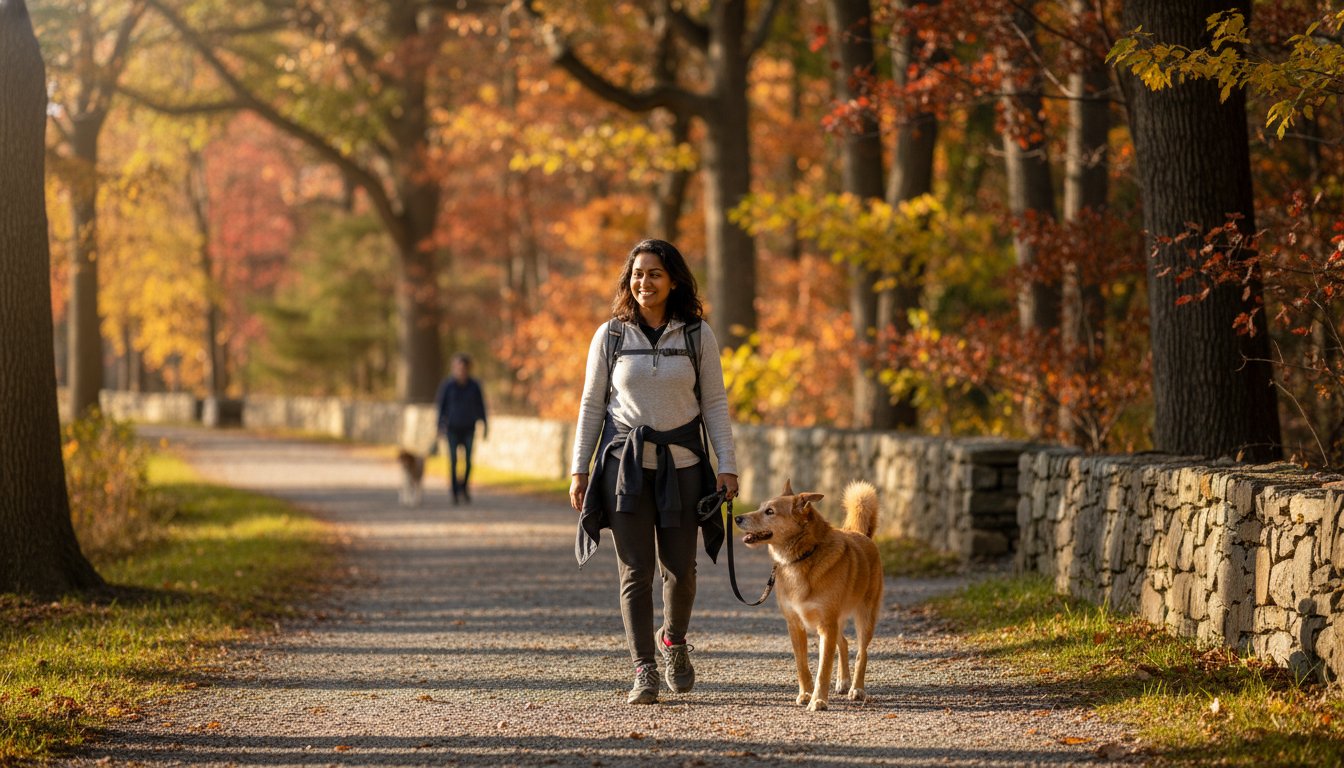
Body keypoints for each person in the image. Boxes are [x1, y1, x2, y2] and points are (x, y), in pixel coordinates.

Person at [570, 238, 738, 705]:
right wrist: (578, 469)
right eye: (638, 273)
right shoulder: (611, 336)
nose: (644, 282)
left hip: (684, 468)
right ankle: (643, 668)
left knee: (681, 570)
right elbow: (591, 406)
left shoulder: (696, 335)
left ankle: (674, 642)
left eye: (655, 274)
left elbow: (715, 405)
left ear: (674, 280)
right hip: (624, 471)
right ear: (629, 279)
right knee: (635, 571)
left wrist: (728, 465)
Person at [435, 353, 488, 504]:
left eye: (463, 368)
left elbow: (481, 406)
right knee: (453, 461)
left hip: (469, 427)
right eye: (458, 367)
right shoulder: (447, 386)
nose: (461, 371)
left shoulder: (474, 386)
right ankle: (454, 491)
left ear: (468, 369)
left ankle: (464, 488)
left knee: (469, 461)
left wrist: (485, 424)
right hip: (452, 428)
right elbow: (441, 407)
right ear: (454, 368)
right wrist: (439, 425)